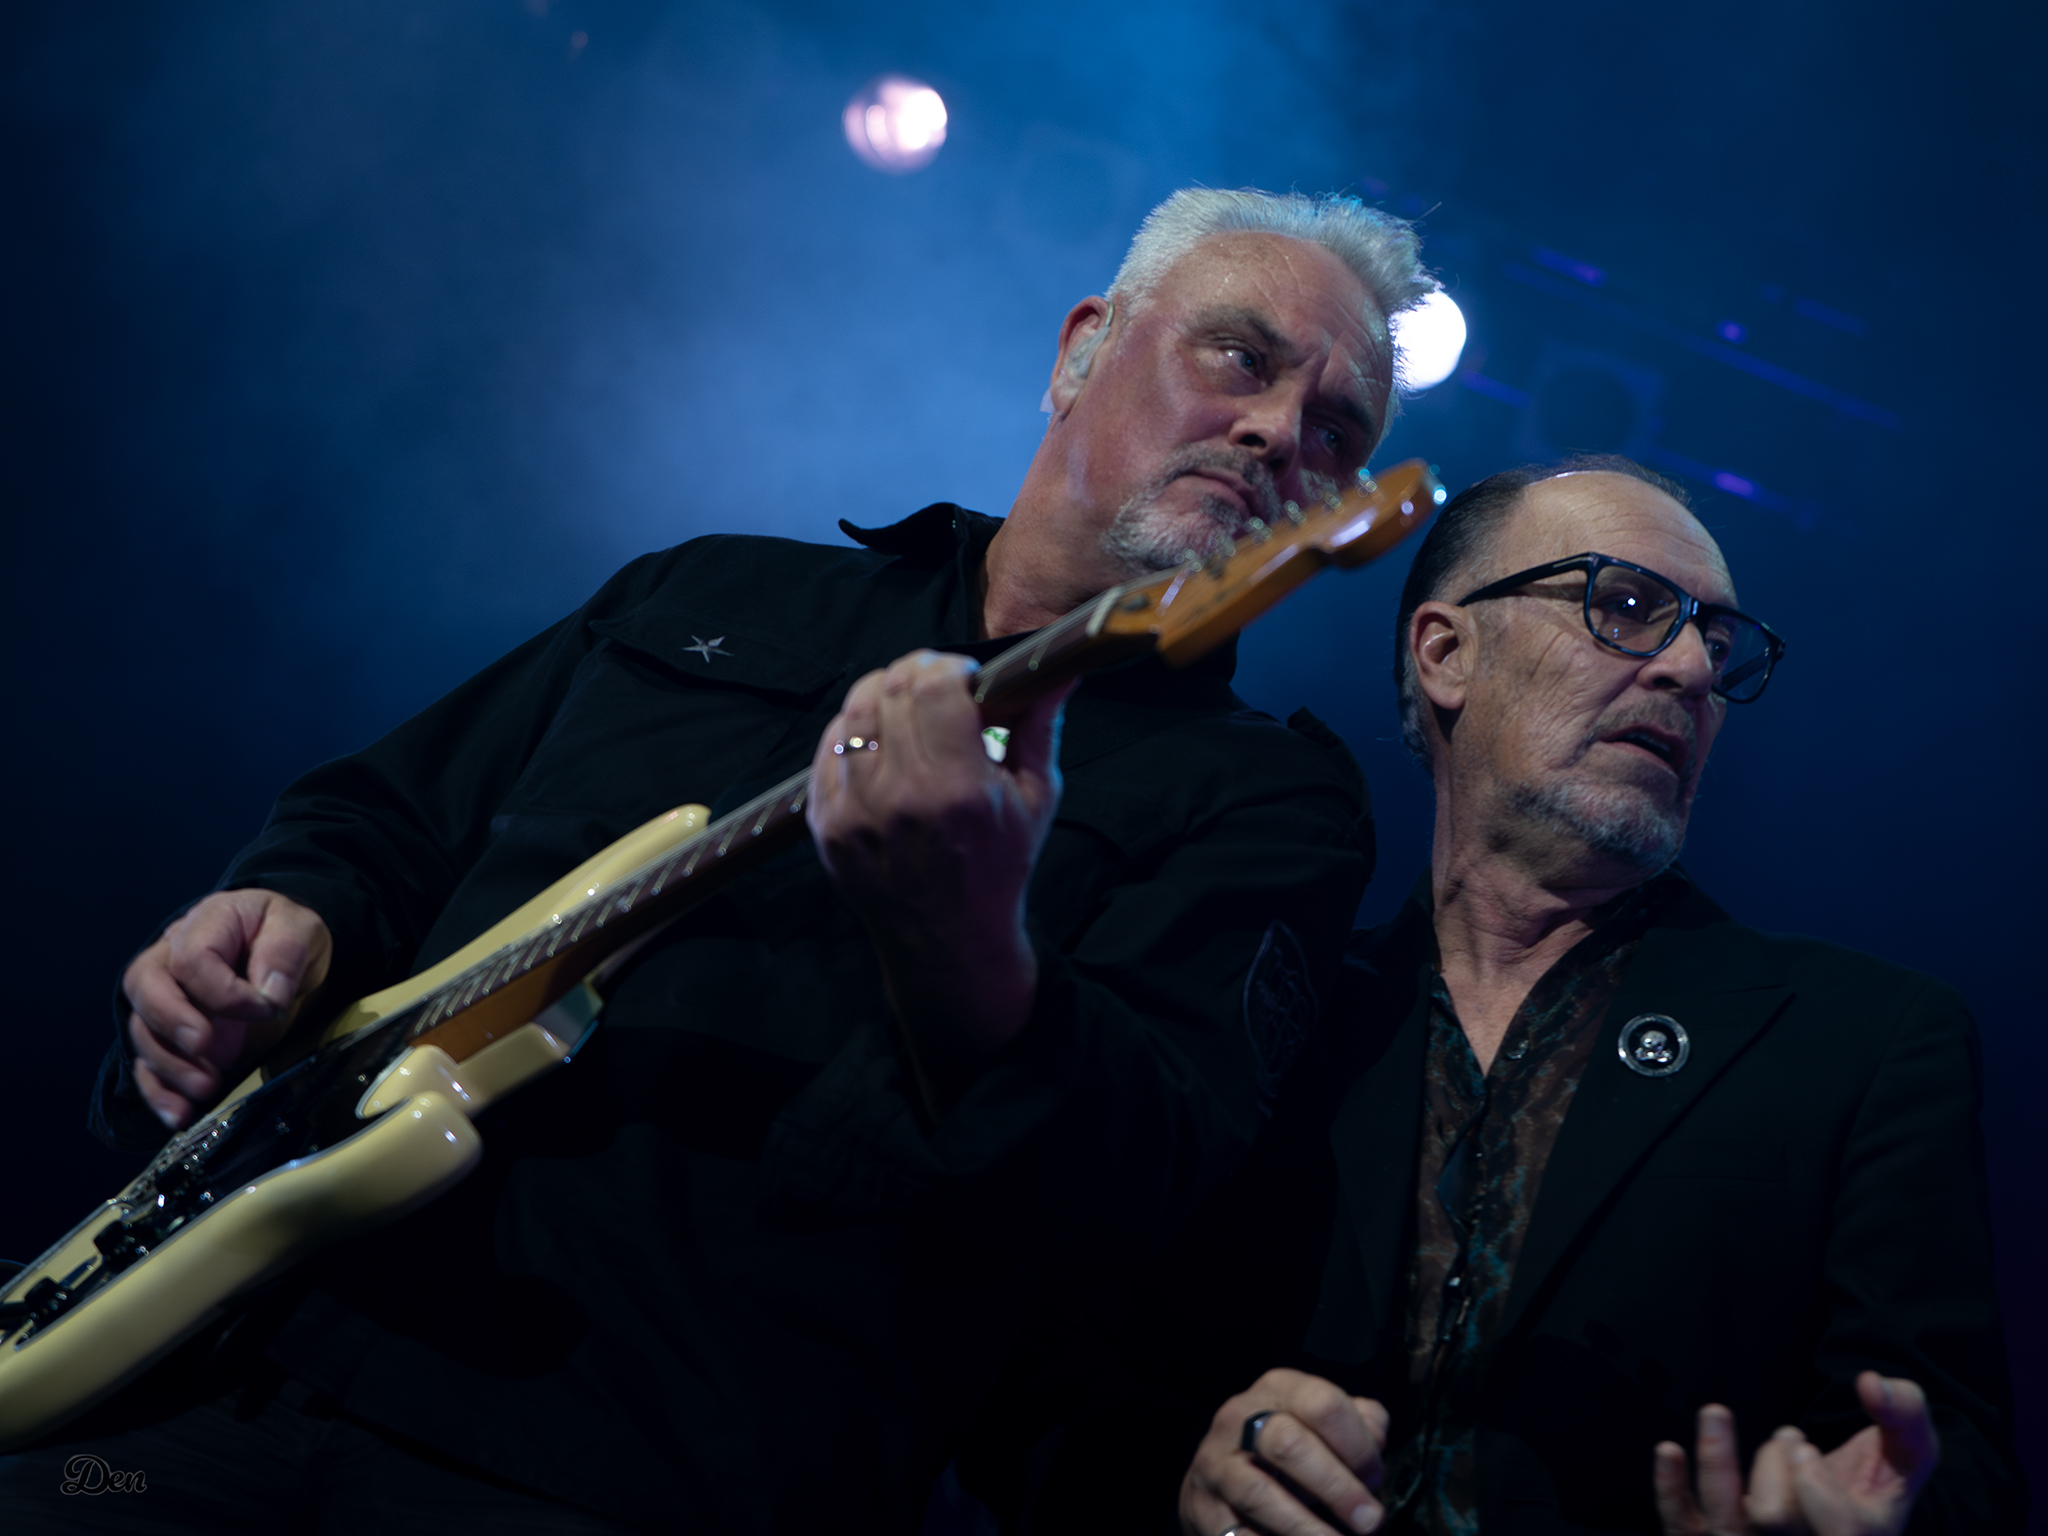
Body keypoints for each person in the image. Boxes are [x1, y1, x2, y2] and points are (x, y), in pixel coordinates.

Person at [0, 188, 1436, 1533]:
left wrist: (966, 945)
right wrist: (278, 916)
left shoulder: (1270, 805)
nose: (1277, 434)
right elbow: (379, 822)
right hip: (218, 1365)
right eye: (1239, 358)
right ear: (1081, 352)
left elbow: (1141, 1189)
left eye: (1335, 431)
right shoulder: (714, 587)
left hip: (631, 1478)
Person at [989, 460, 2023, 1534]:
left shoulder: (1859, 1042)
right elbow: (1040, 1385)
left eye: (1716, 645)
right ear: (1446, 652)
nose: (1688, 671)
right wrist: (1182, 1480)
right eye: (1626, 606)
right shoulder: (1259, 1018)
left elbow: (1953, 1470)